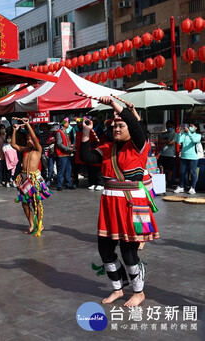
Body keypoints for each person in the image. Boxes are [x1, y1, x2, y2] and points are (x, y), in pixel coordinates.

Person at [80, 96, 159, 307]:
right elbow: (86, 157)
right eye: (114, 125)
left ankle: (139, 292)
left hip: (131, 204)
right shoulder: (107, 149)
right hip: (109, 206)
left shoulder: (139, 146)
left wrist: (115, 105)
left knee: (128, 251)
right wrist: (86, 132)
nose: (116, 128)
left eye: (120, 125)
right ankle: (118, 288)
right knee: (105, 250)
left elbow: (135, 125)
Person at [11, 118, 51, 236]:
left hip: (34, 179)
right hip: (24, 180)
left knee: (36, 203)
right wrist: (14, 130)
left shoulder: (38, 150)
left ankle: (39, 224)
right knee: (24, 204)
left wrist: (28, 125)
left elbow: (34, 137)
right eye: (27, 139)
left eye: (31, 140)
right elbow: (13, 144)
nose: (29, 141)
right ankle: (31, 224)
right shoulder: (25, 150)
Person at [174, 122, 201, 195]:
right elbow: (178, 141)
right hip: (184, 156)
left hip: (193, 157)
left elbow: (195, 140)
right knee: (182, 172)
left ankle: (192, 187)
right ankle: (181, 186)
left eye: (192, 126)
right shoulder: (185, 135)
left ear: (196, 128)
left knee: (193, 172)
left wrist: (189, 132)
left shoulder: (198, 135)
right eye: (189, 126)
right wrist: (179, 133)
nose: (189, 127)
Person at [55, 117, 76, 191]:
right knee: (61, 170)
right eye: (68, 122)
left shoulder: (65, 132)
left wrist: (71, 146)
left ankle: (68, 183)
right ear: (65, 123)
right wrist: (68, 148)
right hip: (61, 154)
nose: (69, 124)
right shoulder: (59, 132)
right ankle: (59, 185)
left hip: (67, 154)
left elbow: (65, 142)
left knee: (68, 169)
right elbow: (59, 143)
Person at [157, 120, 177, 187]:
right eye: (168, 126)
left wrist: (164, 141)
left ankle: (169, 181)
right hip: (162, 154)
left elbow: (172, 143)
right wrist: (168, 141)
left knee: (170, 169)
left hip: (170, 155)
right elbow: (160, 140)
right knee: (161, 167)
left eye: (170, 126)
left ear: (173, 126)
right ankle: (162, 180)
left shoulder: (175, 134)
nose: (169, 128)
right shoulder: (163, 133)